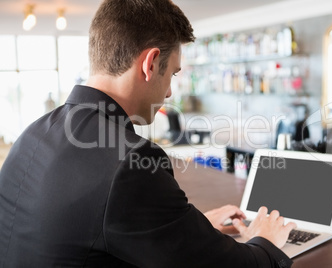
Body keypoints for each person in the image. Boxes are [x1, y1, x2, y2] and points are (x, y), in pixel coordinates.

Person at [0, 0, 296, 267]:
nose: (169, 91)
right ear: (150, 64)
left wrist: (188, 229)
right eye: (173, 74)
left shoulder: (33, 134)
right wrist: (265, 241)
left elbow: (83, 227)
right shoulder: (131, 162)